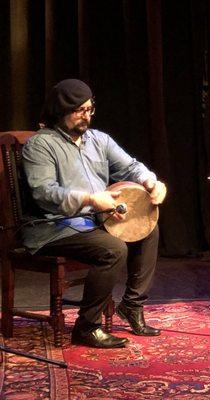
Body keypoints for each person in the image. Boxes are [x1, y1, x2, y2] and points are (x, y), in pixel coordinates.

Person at [22, 79, 167, 348]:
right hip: (53, 226)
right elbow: (44, 194)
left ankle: (132, 305)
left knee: (148, 225)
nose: (86, 117)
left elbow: (131, 166)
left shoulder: (99, 140)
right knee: (113, 249)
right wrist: (90, 199)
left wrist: (152, 182)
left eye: (90, 110)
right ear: (61, 109)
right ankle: (87, 327)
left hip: (92, 221)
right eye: (80, 111)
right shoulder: (41, 145)